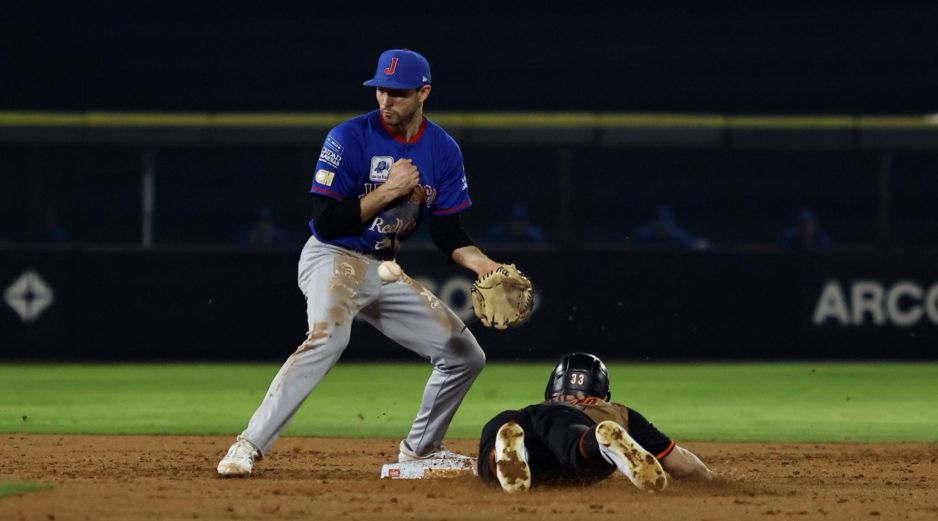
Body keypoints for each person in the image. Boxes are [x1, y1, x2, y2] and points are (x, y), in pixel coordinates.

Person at [217, 49, 506, 476]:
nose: (386, 100)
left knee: (465, 354)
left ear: (423, 92)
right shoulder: (348, 137)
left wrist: (483, 265)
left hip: (384, 268)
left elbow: (448, 234)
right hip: (332, 257)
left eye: (398, 92)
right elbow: (326, 221)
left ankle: (421, 451)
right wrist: (389, 192)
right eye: (380, 90)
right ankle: (247, 445)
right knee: (328, 338)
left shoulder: (443, 150)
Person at [478, 353, 713, 493]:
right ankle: (599, 440)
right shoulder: (616, 411)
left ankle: (498, 457)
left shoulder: (544, 404)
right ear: (602, 390)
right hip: (574, 425)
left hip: (520, 418)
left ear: (553, 387)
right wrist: (711, 479)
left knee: (522, 460)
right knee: (573, 443)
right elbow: (681, 465)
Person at [631, 205, 702, 250]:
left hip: (670, 233)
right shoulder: (652, 226)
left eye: (664, 214)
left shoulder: (672, 226)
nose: (663, 215)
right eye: (661, 214)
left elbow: (688, 239)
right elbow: (639, 235)